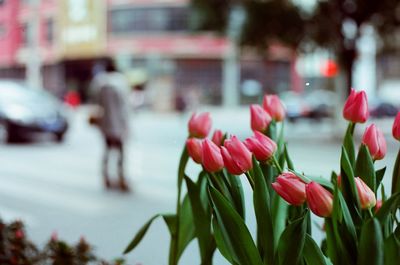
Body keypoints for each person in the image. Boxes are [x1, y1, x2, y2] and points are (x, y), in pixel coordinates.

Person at [90, 59, 131, 192]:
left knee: (107, 151)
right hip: (119, 123)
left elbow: (96, 102)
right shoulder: (121, 81)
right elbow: (126, 105)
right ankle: (121, 178)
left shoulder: (100, 82)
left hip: (106, 123)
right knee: (120, 152)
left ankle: (106, 177)